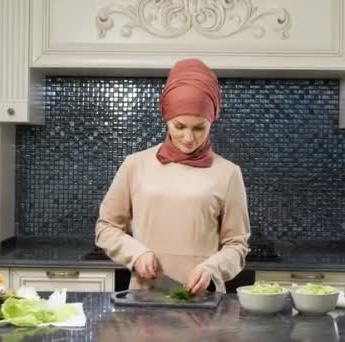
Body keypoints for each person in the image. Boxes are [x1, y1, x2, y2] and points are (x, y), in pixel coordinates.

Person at [95, 58, 250, 294]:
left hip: (202, 302)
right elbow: (106, 228)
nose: (189, 138)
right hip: (145, 298)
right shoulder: (135, 165)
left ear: (212, 121)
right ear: (166, 119)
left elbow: (237, 246)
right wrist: (136, 254)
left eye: (199, 128)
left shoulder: (228, 173)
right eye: (179, 126)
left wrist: (212, 268)